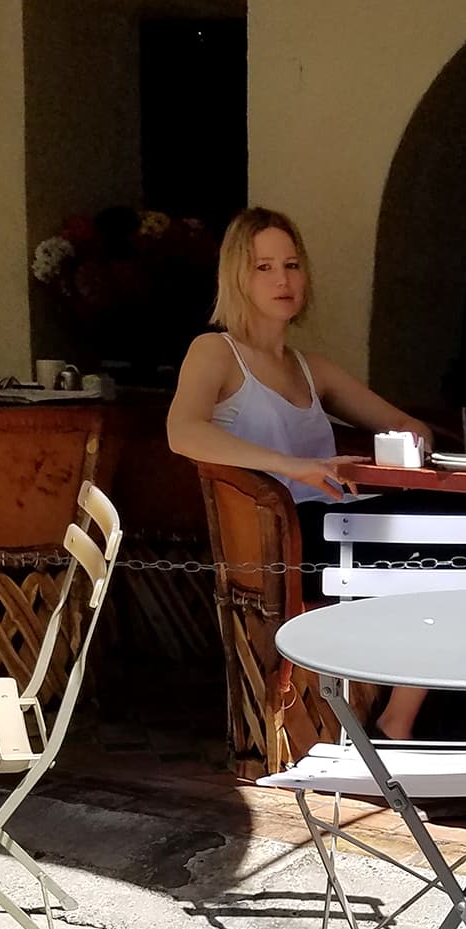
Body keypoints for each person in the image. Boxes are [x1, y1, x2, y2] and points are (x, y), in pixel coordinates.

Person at [167, 205, 434, 741]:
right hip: (281, 537)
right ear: (236, 276)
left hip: (336, 523)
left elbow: (411, 426)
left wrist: (397, 452)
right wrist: (294, 467)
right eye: (264, 267)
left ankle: (401, 715)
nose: (282, 280)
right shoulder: (215, 353)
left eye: (291, 265)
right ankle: (399, 721)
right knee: (444, 540)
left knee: (461, 532)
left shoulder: (312, 367)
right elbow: (182, 432)